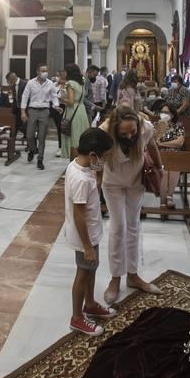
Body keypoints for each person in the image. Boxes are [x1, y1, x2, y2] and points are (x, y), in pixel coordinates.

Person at [99, 106, 163, 305]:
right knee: (118, 228)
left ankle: (133, 276)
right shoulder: (104, 131)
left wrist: (159, 169)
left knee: (133, 227)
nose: (129, 136)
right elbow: (95, 158)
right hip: (112, 184)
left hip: (135, 182)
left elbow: (152, 146)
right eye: (123, 134)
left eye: (132, 132)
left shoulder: (145, 127)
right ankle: (115, 278)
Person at [64, 128, 116, 336]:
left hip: (90, 232)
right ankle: (77, 318)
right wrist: (87, 247)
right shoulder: (81, 179)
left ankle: (91, 303)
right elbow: (78, 214)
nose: (106, 161)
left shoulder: (80, 168)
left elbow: (95, 188)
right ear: (94, 155)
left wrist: (100, 172)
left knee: (91, 268)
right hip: (83, 236)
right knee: (83, 272)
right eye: (105, 157)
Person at [21, 64, 58, 170]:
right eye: (42, 70)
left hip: (44, 111)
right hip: (32, 110)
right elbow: (25, 96)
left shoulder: (50, 83)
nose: (45, 72)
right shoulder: (31, 83)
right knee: (29, 135)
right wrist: (23, 112)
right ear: (37, 72)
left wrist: (56, 106)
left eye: (46, 70)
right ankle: (32, 149)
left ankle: (40, 159)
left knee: (42, 137)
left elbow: (54, 96)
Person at [153, 100, 185, 208]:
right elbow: (153, 142)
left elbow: (179, 142)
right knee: (164, 172)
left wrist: (162, 144)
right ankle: (163, 201)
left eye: (166, 112)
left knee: (174, 170)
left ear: (172, 114)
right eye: (162, 112)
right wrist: (161, 129)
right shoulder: (156, 125)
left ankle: (169, 196)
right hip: (159, 155)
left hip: (174, 155)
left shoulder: (178, 126)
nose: (164, 114)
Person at [61, 63, 91, 160]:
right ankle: (81, 160)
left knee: (73, 138)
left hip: (72, 110)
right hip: (81, 110)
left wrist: (62, 99)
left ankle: (73, 163)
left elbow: (70, 101)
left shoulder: (70, 83)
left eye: (65, 71)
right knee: (80, 136)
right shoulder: (81, 82)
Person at [52, 69, 68, 157]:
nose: (57, 77)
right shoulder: (54, 85)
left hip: (65, 107)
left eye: (59, 75)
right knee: (59, 127)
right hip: (56, 108)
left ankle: (66, 146)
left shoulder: (68, 85)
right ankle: (60, 147)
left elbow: (68, 97)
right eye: (57, 75)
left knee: (65, 127)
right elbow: (52, 95)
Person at [6, 71, 27, 138]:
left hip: (25, 109)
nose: (8, 82)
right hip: (17, 109)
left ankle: (30, 145)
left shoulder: (24, 83)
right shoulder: (13, 85)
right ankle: (11, 145)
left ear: (12, 78)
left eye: (8, 80)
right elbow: (15, 98)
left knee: (26, 126)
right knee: (14, 126)